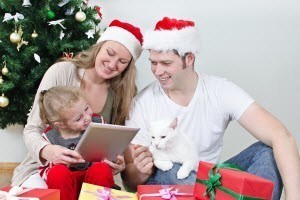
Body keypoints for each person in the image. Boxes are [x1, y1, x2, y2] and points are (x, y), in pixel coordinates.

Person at [122, 17, 300, 200]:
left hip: (212, 181)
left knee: (268, 151)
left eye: (166, 63)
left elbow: (281, 136)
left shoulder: (220, 90)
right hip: (174, 184)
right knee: (168, 166)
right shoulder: (142, 103)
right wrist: (141, 170)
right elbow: (129, 182)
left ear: (189, 58)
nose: (158, 71)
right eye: (153, 63)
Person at [12, 19, 143, 188]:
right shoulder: (62, 72)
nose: (112, 64)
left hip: (91, 172)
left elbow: (117, 143)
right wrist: (47, 151)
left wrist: (119, 162)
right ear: (99, 47)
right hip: (45, 169)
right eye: (109, 53)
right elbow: (32, 129)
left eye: (122, 61)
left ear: (128, 66)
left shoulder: (124, 92)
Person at [38, 86, 114, 200]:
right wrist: (59, 164)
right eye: (79, 118)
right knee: (57, 173)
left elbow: (109, 148)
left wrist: (112, 157)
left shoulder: (98, 122)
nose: (88, 118)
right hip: (67, 186)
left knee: (101, 169)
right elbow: (44, 171)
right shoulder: (50, 137)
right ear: (61, 124)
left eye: (87, 108)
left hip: (93, 182)